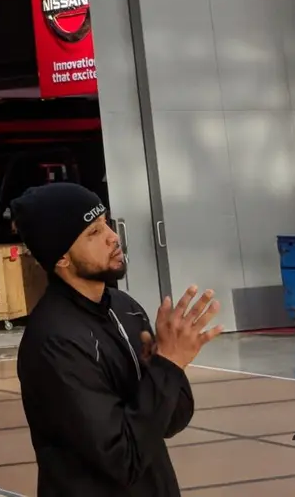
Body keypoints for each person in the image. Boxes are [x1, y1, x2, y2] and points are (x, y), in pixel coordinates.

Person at [13, 182, 222, 497]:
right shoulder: (55, 341)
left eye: (106, 223)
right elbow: (121, 458)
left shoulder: (125, 308)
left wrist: (170, 363)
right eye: (93, 233)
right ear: (62, 259)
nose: (112, 236)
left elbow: (171, 420)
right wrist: (168, 365)